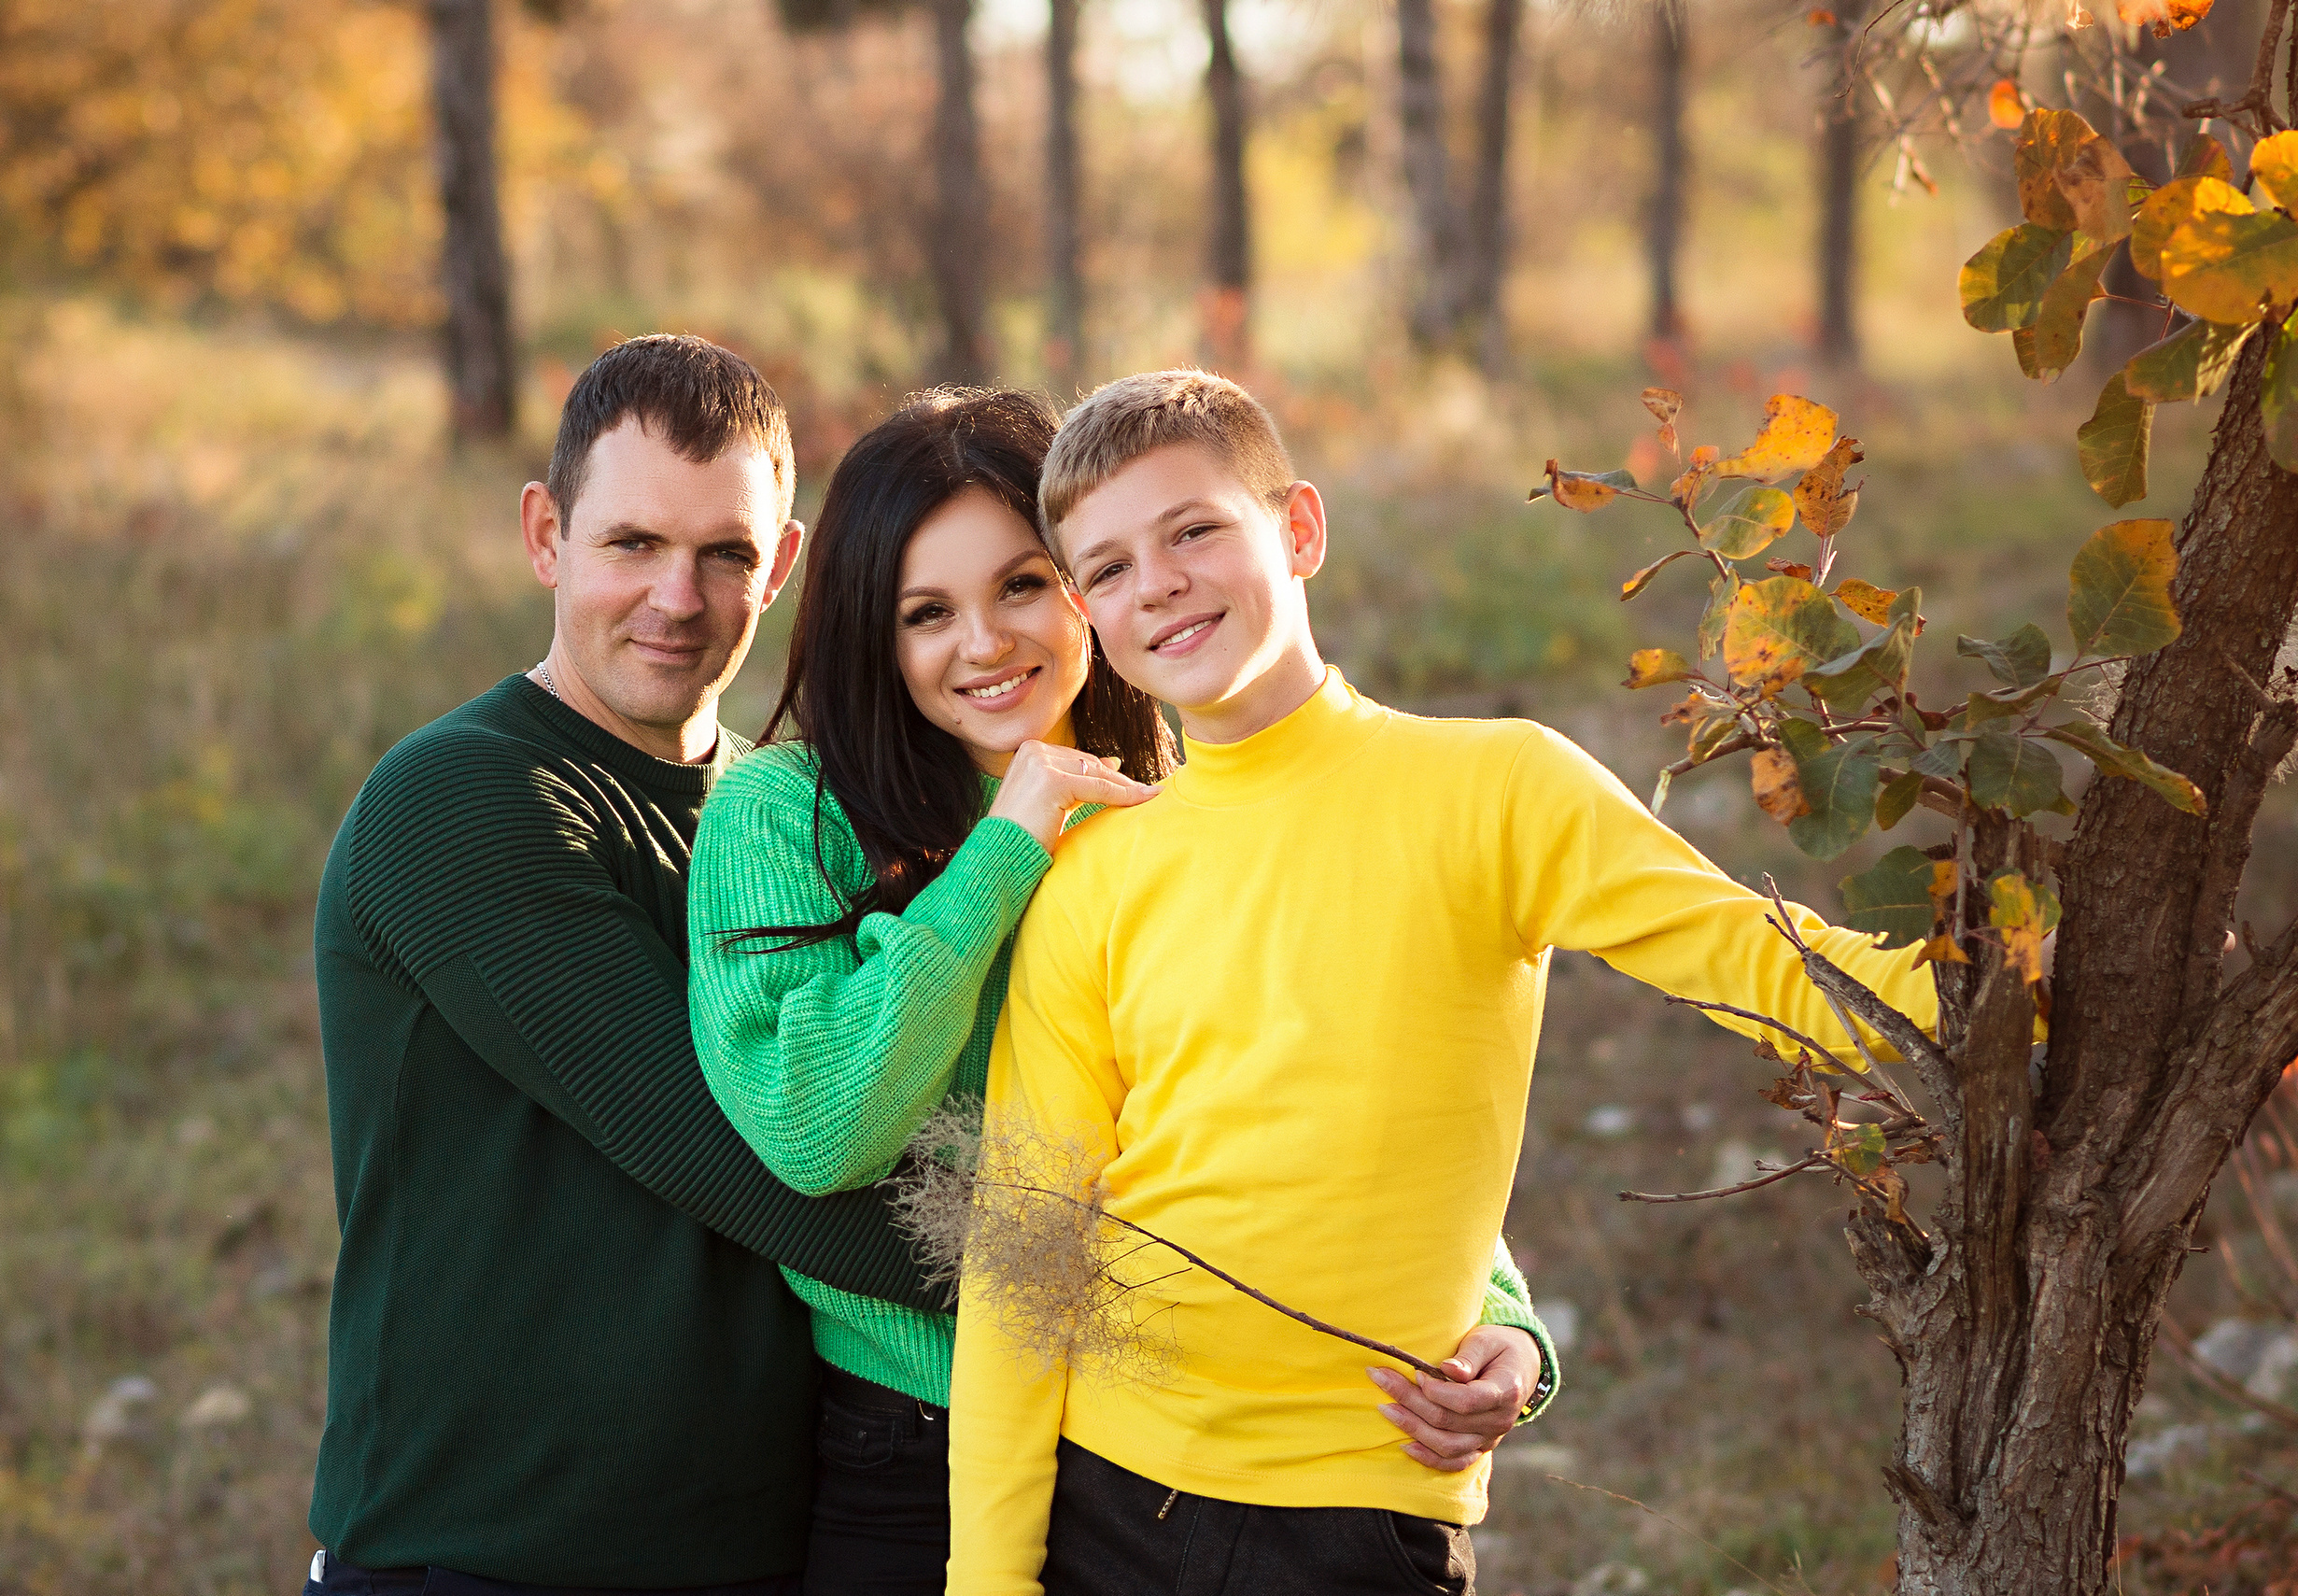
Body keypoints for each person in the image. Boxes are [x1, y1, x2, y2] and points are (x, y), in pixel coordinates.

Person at [945, 370, 1946, 1596]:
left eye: (1194, 529)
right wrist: (985, 1582)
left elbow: (1748, 950)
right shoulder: (1095, 870)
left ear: (1299, 528)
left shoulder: (1495, 789)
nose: (1155, 581)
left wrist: (2004, 982)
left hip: (1363, 1513)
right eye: (1104, 568)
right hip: (1110, 1496)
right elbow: (1023, 1243)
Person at [684, 388, 1559, 1595]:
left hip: (1163, 1455)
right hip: (914, 1447)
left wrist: (1504, 1314)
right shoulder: (783, 813)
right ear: (868, 635)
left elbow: (1331, 1070)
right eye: (926, 613)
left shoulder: (1177, 805)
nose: (985, 642)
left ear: (1091, 585)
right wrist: (1010, 845)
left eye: (1024, 585)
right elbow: (815, 1123)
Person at [306, 335, 949, 1596]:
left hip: (764, 1544)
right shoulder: (465, 797)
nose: (678, 598)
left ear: (785, 566)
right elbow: (756, 1165)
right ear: (546, 535)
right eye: (631, 544)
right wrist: (1156, 1301)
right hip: (491, 1556)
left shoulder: (789, 826)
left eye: (725, 553)